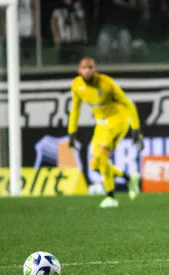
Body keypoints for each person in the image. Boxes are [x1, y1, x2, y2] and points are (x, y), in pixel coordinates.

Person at [68, 57, 143, 208]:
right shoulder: (77, 85)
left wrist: (136, 129)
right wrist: (71, 133)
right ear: (79, 70)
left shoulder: (106, 84)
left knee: (102, 157)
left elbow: (128, 104)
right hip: (101, 125)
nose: (87, 71)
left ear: (95, 69)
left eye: (90, 67)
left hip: (117, 121)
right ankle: (129, 178)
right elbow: (75, 109)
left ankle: (111, 197)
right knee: (95, 164)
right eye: (84, 68)